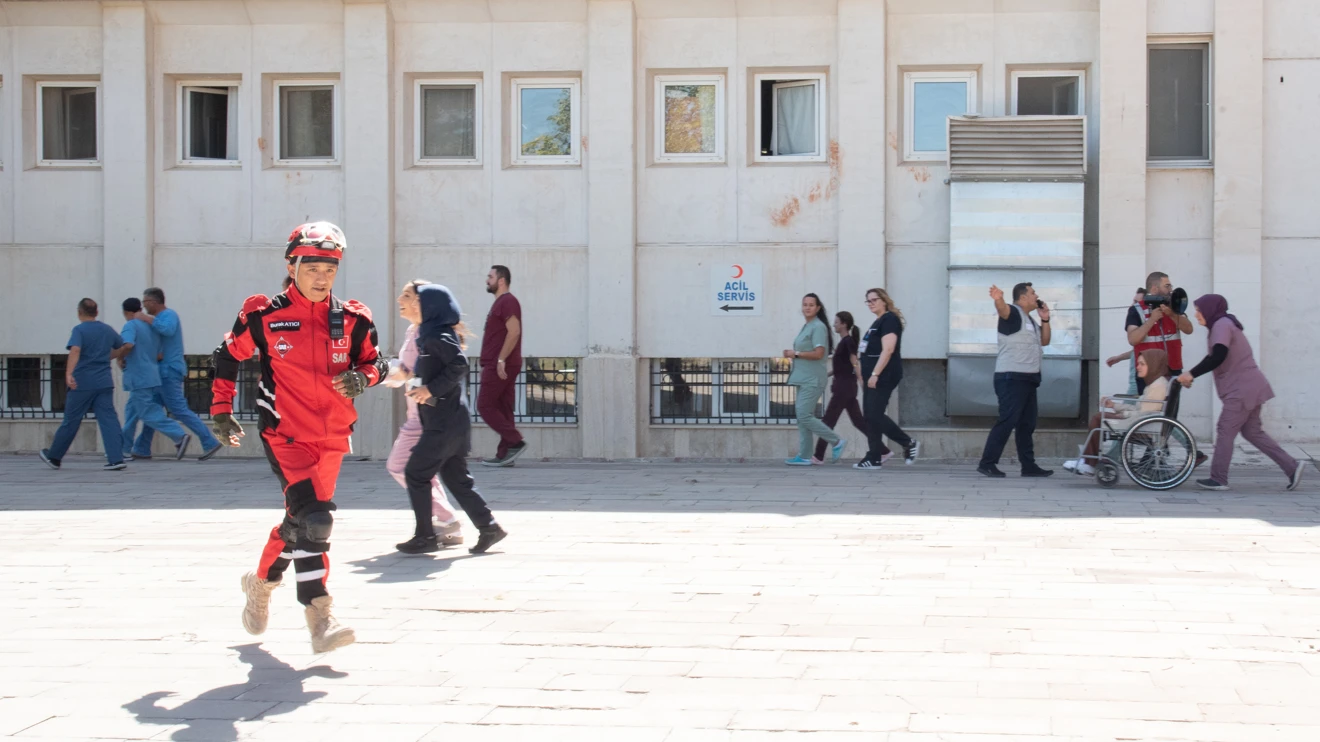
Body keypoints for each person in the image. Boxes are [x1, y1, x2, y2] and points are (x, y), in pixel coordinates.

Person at [212, 221, 389, 653]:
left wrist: (362, 378)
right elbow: (226, 356)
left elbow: (378, 363)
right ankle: (320, 615)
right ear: (292, 266)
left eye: (330, 268)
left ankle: (260, 583)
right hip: (285, 433)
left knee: (300, 523)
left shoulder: (353, 319)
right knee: (317, 519)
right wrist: (220, 410)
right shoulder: (263, 314)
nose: (321, 277)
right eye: (312, 267)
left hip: (332, 437)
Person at [397, 283, 509, 555]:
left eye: (413, 299)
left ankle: (425, 536)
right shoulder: (429, 334)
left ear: (431, 305)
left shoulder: (437, 334)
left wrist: (429, 389)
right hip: (448, 422)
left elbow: (458, 365)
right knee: (457, 480)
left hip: (444, 425)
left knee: (415, 472)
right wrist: (419, 385)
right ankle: (490, 527)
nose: (404, 301)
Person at [1177, 294, 1306, 492]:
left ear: (1210, 309)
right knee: (1252, 432)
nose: (1196, 315)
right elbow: (1214, 356)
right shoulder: (1223, 325)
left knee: (1225, 429)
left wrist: (1191, 374)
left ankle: (1218, 478)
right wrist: (1191, 375)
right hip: (1250, 387)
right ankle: (1292, 467)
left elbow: (1218, 356)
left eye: (1198, 310)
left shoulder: (1221, 325)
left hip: (1241, 390)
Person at [383, 280, 464, 548]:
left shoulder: (432, 333)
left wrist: (408, 378)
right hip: (416, 413)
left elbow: (444, 369)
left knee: (400, 466)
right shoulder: (413, 331)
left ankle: (447, 519)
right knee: (421, 473)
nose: (399, 300)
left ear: (422, 302)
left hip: (426, 416)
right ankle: (444, 526)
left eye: (406, 295)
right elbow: (410, 371)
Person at [131, 288, 224, 460]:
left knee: (178, 409)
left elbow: (167, 330)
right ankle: (142, 447)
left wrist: (146, 319)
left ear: (154, 302)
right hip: (159, 372)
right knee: (153, 410)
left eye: (145, 303)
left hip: (169, 371)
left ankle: (209, 441)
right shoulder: (157, 319)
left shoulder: (168, 316)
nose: (144, 307)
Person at [39, 299, 127, 471]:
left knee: (71, 420)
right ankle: (116, 459)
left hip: (83, 382)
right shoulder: (106, 329)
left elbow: (76, 350)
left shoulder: (79, 330)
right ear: (97, 312)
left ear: (79, 312)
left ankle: (54, 457)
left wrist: (68, 373)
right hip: (104, 381)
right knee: (108, 419)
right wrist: (106, 357)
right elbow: (122, 346)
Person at [977, 283, 1054, 478]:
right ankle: (987, 463)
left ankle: (1028, 466)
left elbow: (1045, 341)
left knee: (1027, 424)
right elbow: (1002, 310)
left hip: (1028, 378)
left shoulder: (1031, 320)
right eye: (1033, 293)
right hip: (1011, 377)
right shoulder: (1013, 313)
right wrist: (998, 299)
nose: (1036, 295)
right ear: (1023, 298)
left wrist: (1045, 319)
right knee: (1007, 420)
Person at [1064, 349, 1170, 475]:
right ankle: (1089, 459)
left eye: (1142, 364)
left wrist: (1123, 415)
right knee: (1098, 418)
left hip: (1144, 429)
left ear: (1153, 364)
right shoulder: (1154, 384)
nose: (1138, 367)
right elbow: (1140, 409)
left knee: (1098, 418)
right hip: (1141, 424)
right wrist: (1115, 406)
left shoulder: (1157, 386)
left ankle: (1089, 463)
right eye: (1138, 364)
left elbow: (1144, 415)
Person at [118, 298, 192, 462]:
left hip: (138, 376)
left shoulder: (130, 325)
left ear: (126, 312)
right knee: (131, 412)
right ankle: (123, 448)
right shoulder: (150, 327)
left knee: (148, 412)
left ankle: (178, 434)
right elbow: (160, 352)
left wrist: (119, 356)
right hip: (152, 374)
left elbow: (128, 344)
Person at [855, 288, 919, 470]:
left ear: (884, 300)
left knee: (873, 414)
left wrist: (875, 374)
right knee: (870, 415)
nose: (871, 303)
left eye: (874, 299)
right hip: (871, 375)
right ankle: (874, 456)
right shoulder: (877, 321)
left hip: (884, 374)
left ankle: (908, 443)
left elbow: (888, 350)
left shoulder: (889, 319)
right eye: (868, 301)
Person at [784, 293, 845, 466]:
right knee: (803, 416)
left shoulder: (818, 327)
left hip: (813, 379)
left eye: (811, 304)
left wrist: (795, 354)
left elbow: (819, 353)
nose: (807, 307)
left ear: (818, 308)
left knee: (803, 414)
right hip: (802, 378)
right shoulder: (807, 326)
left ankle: (836, 441)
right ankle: (804, 456)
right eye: (805, 304)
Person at [812, 311, 875, 464]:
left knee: (828, 421)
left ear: (844, 324)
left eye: (837, 322)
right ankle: (884, 450)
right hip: (845, 387)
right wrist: (826, 375)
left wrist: (861, 380)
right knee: (858, 422)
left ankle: (818, 456)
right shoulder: (844, 342)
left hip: (844, 388)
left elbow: (854, 362)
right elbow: (843, 366)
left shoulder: (848, 342)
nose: (834, 324)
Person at [478, 265, 526, 467]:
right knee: (504, 408)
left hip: (500, 364)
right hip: (503, 362)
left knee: (484, 405)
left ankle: (515, 441)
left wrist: (500, 360)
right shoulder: (501, 303)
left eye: (490, 276)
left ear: (501, 280)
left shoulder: (508, 301)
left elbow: (514, 332)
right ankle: (506, 454)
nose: (486, 280)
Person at [1127, 273, 1194, 394]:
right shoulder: (1137, 309)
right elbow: (1132, 339)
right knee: (1148, 410)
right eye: (1167, 286)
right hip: (1147, 372)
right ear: (1154, 289)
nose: (1170, 290)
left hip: (1172, 369)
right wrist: (1152, 320)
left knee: (1170, 409)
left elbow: (1189, 329)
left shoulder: (1173, 308)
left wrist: (1172, 315)